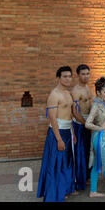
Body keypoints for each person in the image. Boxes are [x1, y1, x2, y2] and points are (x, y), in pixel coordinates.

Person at [37, 66, 77, 202]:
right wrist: (59, 139)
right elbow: (52, 119)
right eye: (65, 76)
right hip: (57, 133)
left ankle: (64, 189)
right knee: (56, 164)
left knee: (66, 163)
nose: (68, 79)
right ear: (58, 78)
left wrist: (72, 133)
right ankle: (54, 193)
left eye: (69, 76)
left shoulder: (68, 93)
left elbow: (70, 115)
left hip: (67, 131)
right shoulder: (54, 95)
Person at [71, 64, 93, 191]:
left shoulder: (88, 88)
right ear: (78, 75)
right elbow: (75, 111)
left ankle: (86, 177)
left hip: (87, 123)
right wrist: (86, 123)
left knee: (87, 151)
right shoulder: (76, 91)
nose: (86, 76)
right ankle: (78, 180)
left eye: (87, 74)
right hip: (80, 124)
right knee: (80, 153)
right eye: (83, 74)